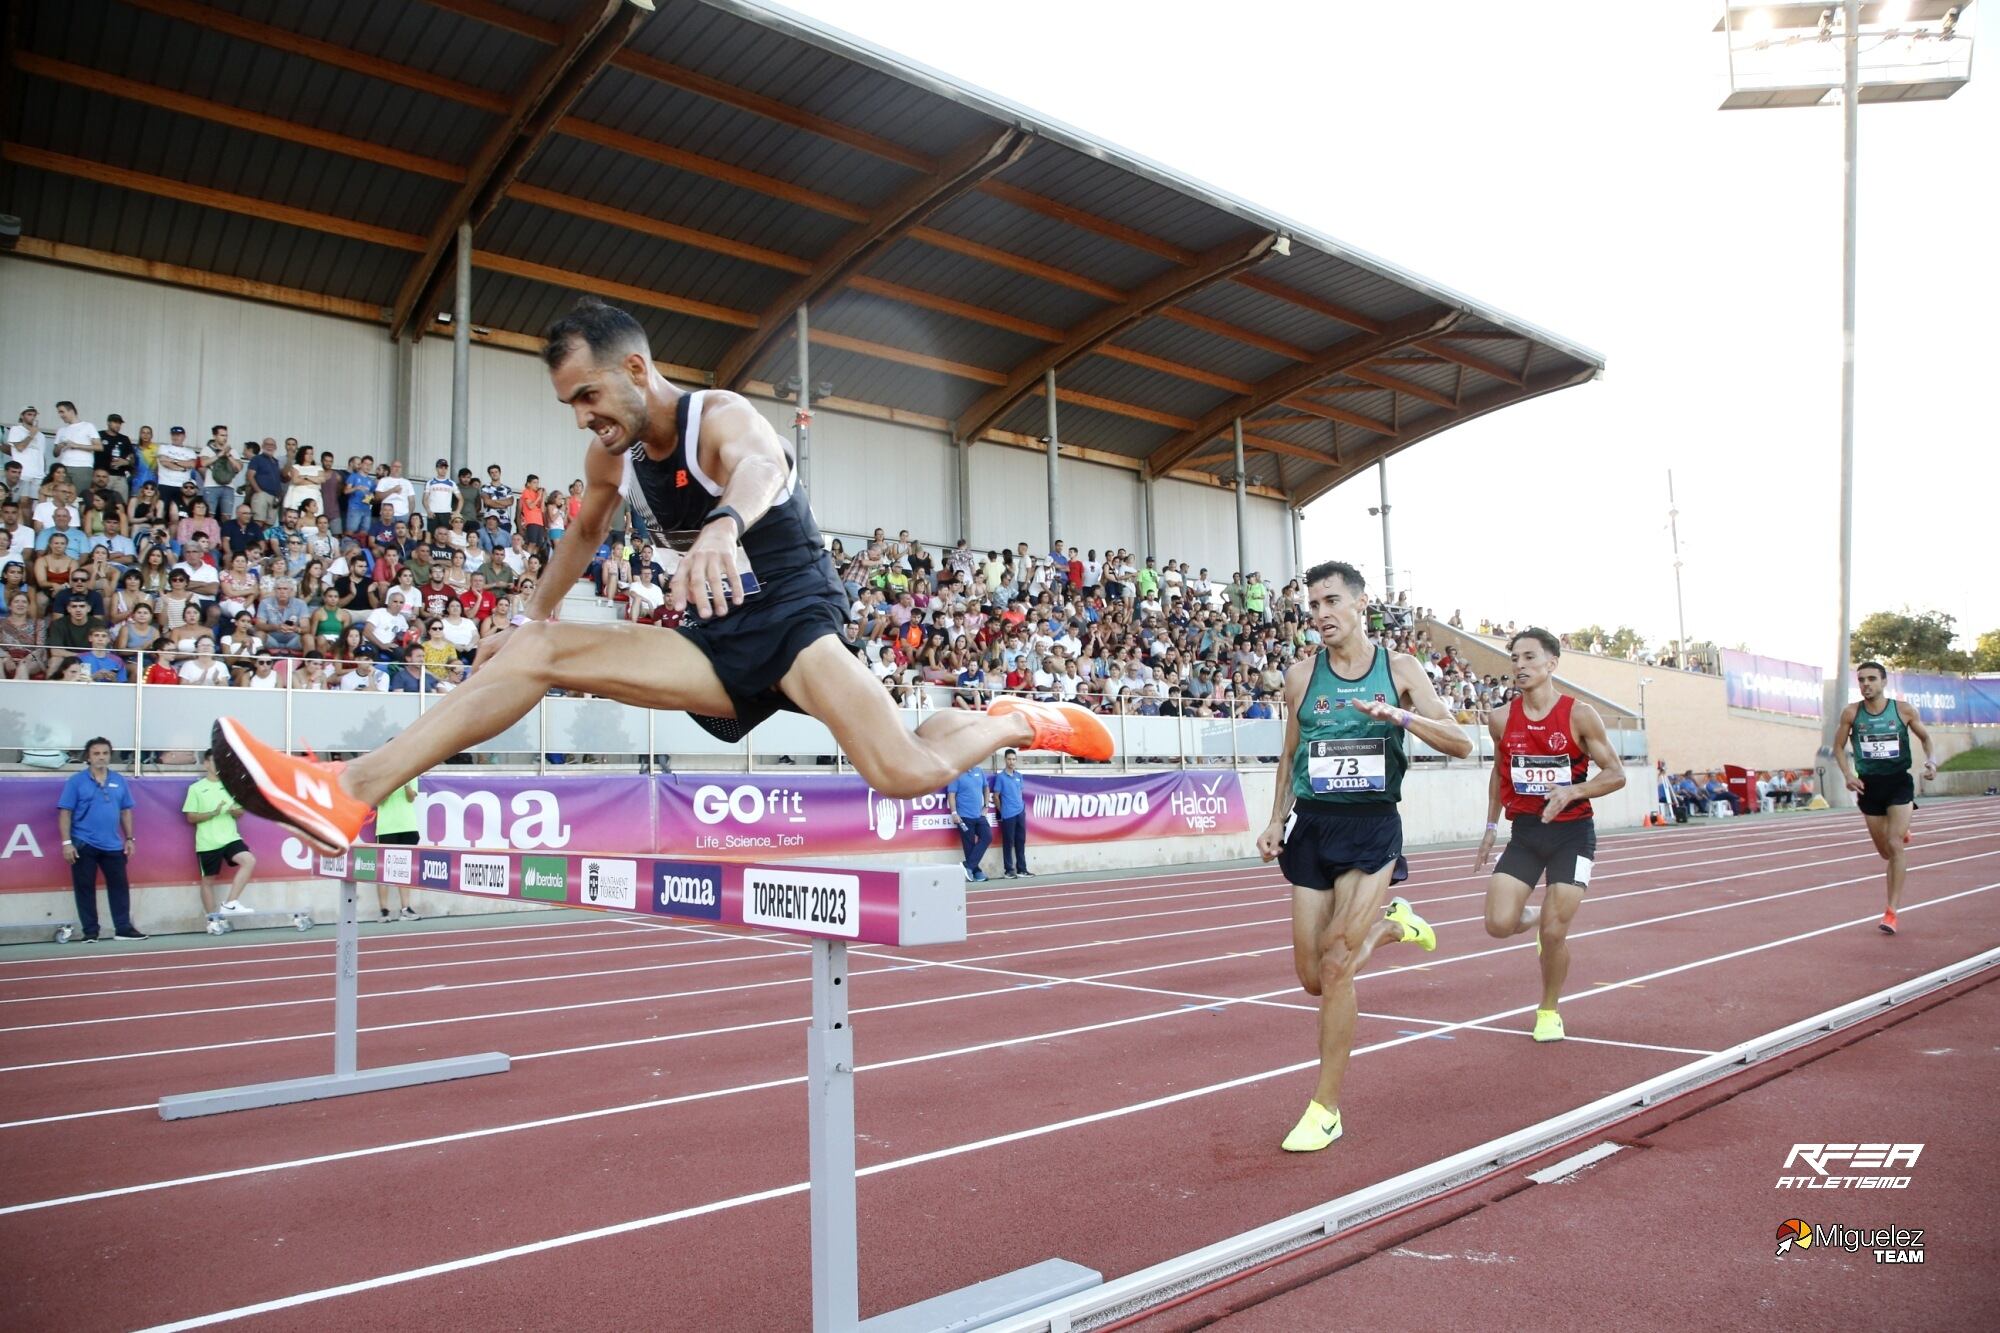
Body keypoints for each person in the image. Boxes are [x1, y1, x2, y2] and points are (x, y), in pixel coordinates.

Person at [209, 298, 1112, 853]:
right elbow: (582, 531)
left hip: (794, 614)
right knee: (540, 652)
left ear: (637, 369)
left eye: (590, 396)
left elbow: (760, 466)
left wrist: (722, 525)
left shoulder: (717, 416)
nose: (582, 419)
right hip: (719, 637)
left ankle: (1013, 721)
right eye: (570, 405)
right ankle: (347, 792)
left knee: (903, 769)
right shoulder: (618, 453)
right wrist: (527, 615)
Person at [1257, 560, 1469, 1153]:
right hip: (1313, 828)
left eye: (1330, 602)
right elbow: (1289, 753)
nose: (1321, 615)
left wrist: (1399, 715)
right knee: (1311, 978)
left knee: (1338, 961)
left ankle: (1325, 1107)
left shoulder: (1399, 669)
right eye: (1313, 606)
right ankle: (1397, 926)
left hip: (1372, 827)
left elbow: (1460, 740)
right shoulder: (1300, 677)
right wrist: (1275, 818)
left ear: (1360, 605)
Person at [1473, 628, 1626, 1043]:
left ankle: (1548, 1009)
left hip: (1572, 835)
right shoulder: (1501, 718)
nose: (1519, 666)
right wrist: (1490, 827)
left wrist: (1572, 790)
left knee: (1555, 934)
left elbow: (1616, 774)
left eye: (1528, 658)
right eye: (1514, 659)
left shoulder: (1580, 715)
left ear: (1551, 664)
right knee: (1498, 924)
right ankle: (1541, 915)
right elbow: (1498, 774)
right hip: (1524, 833)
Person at [1833, 661, 1938, 935]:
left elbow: (1926, 739)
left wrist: (1932, 762)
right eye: (1861, 680)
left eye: (1871, 679)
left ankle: (1891, 912)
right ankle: (1900, 830)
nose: (1866, 684)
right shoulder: (1851, 713)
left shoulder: (1903, 710)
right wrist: (1847, 774)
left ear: (1883, 682)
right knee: (1884, 853)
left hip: (1898, 782)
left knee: (1895, 845)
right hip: (1869, 786)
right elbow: (1838, 747)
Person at [58, 738, 146, 941]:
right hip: (83, 843)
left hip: (113, 845)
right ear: (88, 757)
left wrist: (130, 838)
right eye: (96, 753)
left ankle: (123, 929)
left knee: (119, 887)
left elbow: (125, 811)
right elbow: (65, 813)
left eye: (105, 753)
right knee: (85, 888)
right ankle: (90, 932)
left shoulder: (119, 780)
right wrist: (66, 843)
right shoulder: (76, 781)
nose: (101, 757)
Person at [184, 751, 259, 934]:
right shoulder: (196, 788)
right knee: (208, 880)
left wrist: (234, 811)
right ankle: (212, 919)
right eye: (214, 761)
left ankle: (231, 903)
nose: (218, 765)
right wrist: (212, 813)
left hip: (230, 838)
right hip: (208, 842)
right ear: (206, 764)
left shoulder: (231, 786)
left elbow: (240, 812)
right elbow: (190, 817)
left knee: (249, 860)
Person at [372, 777, 422, 921]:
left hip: (407, 826)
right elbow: (379, 800)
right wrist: (392, 782)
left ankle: (405, 909)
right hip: (387, 828)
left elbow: (411, 798)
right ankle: (384, 910)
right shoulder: (384, 774)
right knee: (383, 869)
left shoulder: (412, 773)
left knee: (404, 869)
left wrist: (405, 783)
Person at [947, 762, 993, 882]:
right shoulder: (956, 774)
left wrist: (986, 806)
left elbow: (986, 787)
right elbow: (951, 795)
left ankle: (968, 866)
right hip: (964, 817)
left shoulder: (979, 771)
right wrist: (954, 813)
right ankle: (976, 871)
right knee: (969, 845)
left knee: (987, 837)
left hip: (979, 815)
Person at [991, 747, 1030, 877]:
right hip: (1008, 814)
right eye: (1009, 759)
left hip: (1020, 813)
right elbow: (995, 796)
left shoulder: (1019, 776)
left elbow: (1019, 793)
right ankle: (1008, 870)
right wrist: (1002, 811)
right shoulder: (1001, 777)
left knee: (1021, 841)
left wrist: (1021, 808)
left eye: (1013, 759)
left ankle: (1022, 869)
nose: (1011, 762)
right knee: (1008, 842)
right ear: (1005, 760)